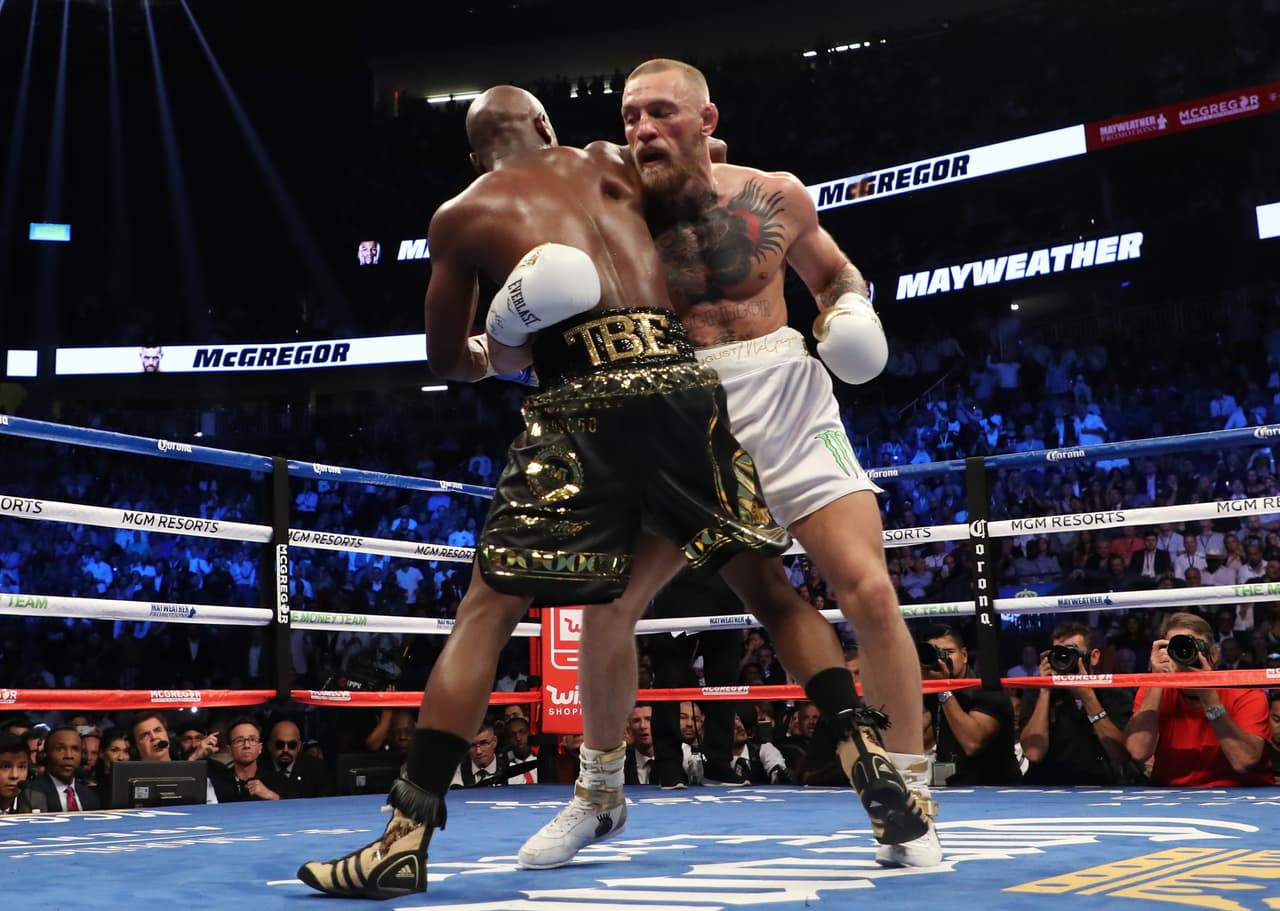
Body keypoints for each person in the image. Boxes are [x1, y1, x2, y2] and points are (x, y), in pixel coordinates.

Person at [296, 85, 791, 901]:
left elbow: (447, 361)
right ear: (549, 129)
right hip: (684, 388)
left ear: (473, 156)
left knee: (488, 609)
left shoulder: (460, 212)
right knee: (761, 581)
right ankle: (874, 764)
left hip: (579, 410)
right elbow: (704, 187)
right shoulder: (609, 163)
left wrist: (507, 328)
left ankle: (402, 838)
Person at [524, 62, 941, 867]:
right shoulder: (612, 214)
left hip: (786, 396)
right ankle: (600, 793)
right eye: (630, 115)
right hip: (679, 414)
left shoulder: (775, 193)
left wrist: (850, 307)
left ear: (707, 118)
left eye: (661, 113)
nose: (643, 128)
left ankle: (910, 788)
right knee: (606, 609)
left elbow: (834, 273)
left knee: (870, 589)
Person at [1124, 612, 1271, 786]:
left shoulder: (1246, 693)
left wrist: (1208, 696)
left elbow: (1244, 761)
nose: (1183, 654)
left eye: (1191, 645)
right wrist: (1157, 679)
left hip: (1238, 796)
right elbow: (1137, 752)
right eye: (1176, 647)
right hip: (1172, 796)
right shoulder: (1153, 691)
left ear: (1214, 655)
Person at [1018, 622, 1137, 785]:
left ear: (1094, 656)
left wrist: (1087, 696)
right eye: (1059, 653)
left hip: (1099, 786)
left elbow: (1120, 755)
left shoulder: (1114, 694)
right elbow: (1033, 753)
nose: (1065, 660)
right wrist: (1045, 691)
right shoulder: (1037, 693)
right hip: (1046, 787)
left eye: (1072, 653)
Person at [27, 726, 99, 811]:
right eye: (60, 749)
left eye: (75, 749)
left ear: (82, 756)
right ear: (45, 755)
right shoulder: (32, 793)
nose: (69, 756)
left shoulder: (89, 794)